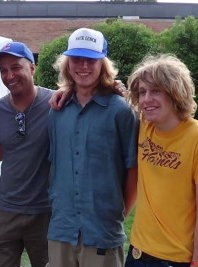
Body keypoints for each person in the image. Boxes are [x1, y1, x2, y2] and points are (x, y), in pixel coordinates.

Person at [47, 28, 138, 267]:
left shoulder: (121, 111)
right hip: (62, 228)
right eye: (77, 59)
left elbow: (133, 170)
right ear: (68, 63)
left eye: (91, 60)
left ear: (103, 64)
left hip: (102, 232)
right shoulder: (56, 111)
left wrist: (117, 216)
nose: (83, 66)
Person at [124, 54, 198, 267]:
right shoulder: (144, 127)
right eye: (142, 92)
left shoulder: (194, 137)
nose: (146, 99)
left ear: (175, 92)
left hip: (176, 259)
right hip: (137, 252)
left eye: (156, 91)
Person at [0, 42, 54, 267]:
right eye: (3, 70)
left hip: (45, 211)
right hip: (6, 209)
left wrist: (112, 86)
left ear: (32, 68)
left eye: (16, 67)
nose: (9, 75)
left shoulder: (56, 102)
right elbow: (0, 149)